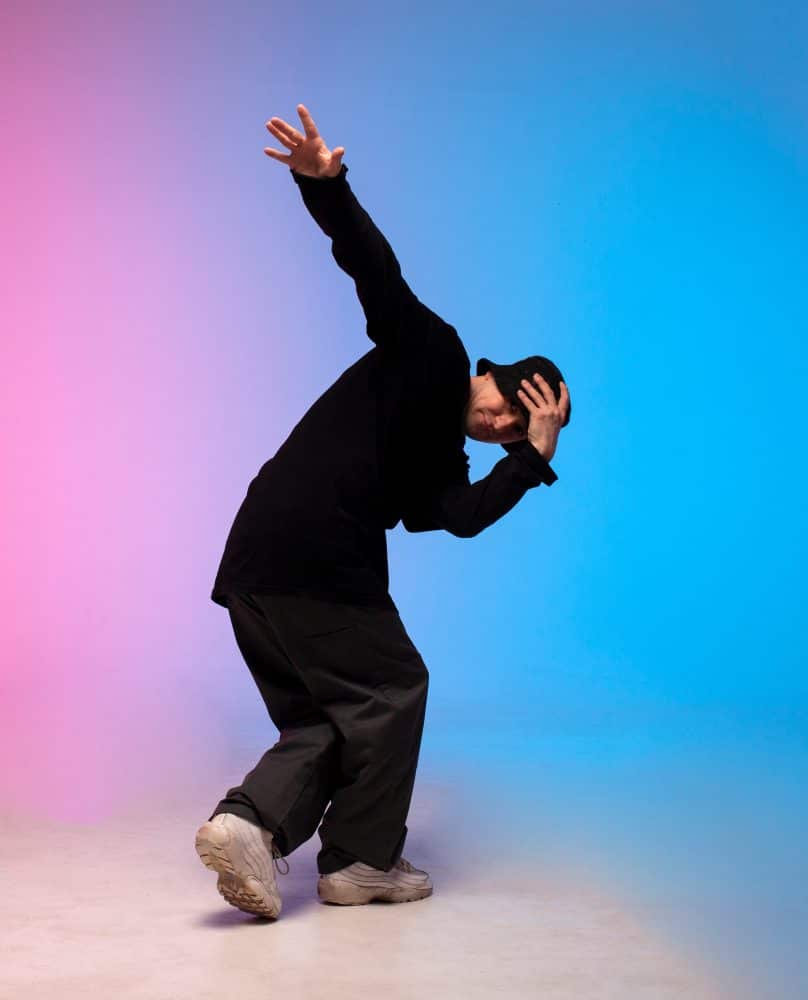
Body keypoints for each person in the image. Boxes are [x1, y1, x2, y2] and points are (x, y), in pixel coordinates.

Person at [195, 104, 571, 919]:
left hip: (259, 560)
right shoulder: (432, 353)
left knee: (334, 718)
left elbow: (460, 515)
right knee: (395, 686)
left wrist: (532, 460)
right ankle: (361, 861)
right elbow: (377, 273)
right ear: (493, 374)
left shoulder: (445, 456)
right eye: (516, 402)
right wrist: (326, 187)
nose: (507, 422)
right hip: (313, 556)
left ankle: (246, 826)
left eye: (525, 426)